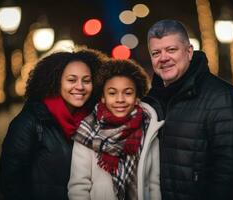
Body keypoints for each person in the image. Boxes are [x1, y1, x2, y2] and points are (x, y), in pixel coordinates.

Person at [143, 19, 233, 200]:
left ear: (189, 51)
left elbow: (230, 177)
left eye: (171, 50)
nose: (163, 58)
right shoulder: (150, 102)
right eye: (156, 53)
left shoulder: (224, 98)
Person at [0, 48, 108, 200]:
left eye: (86, 80)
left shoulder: (97, 122)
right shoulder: (31, 122)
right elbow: (10, 183)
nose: (80, 86)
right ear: (56, 81)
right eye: (71, 80)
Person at [68, 59, 164, 200]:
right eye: (112, 93)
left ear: (137, 97)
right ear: (103, 97)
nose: (120, 99)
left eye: (128, 93)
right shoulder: (87, 132)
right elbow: (79, 187)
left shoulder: (149, 129)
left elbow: (153, 184)